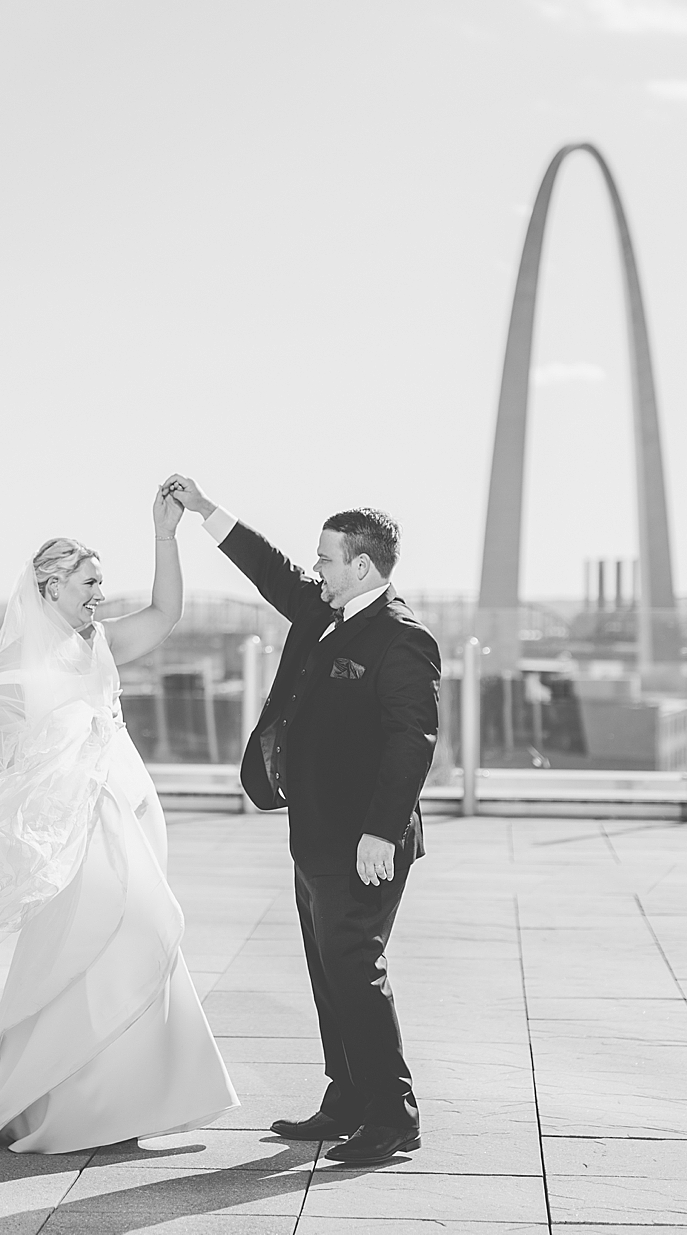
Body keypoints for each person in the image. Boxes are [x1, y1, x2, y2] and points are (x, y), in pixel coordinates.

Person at [0, 484, 236, 1153]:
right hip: (76, 819)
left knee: (134, 937)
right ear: (50, 586)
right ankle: (63, 1099)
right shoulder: (13, 669)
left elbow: (166, 612)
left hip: (130, 805)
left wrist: (165, 535)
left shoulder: (101, 642)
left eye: (100, 581)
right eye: (88, 582)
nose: (100, 594)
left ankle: (124, 1097)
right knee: (93, 939)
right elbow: (10, 763)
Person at [163, 475, 440, 1166]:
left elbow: (412, 741)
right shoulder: (322, 609)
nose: (314, 567)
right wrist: (204, 510)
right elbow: (270, 569)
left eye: (325, 557)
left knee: (356, 970)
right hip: (314, 833)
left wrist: (381, 831)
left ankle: (392, 1115)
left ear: (362, 566)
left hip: (365, 843)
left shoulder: (402, 638)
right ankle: (346, 1099)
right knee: (328, 972)